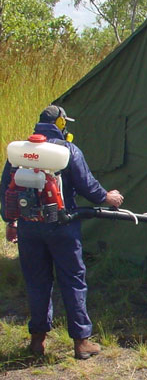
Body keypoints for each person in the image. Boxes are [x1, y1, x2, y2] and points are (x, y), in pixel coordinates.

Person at [0, 105, 124, 359]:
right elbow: (87, 185)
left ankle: (37, 341)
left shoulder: (20, 152)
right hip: (62, 226)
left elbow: (6, 191)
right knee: (73, 281)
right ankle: (81, 343)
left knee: (36, 282)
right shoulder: (67, 150)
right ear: (60, 122)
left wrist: (10, 223)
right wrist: (107, 197)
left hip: (28, 227)